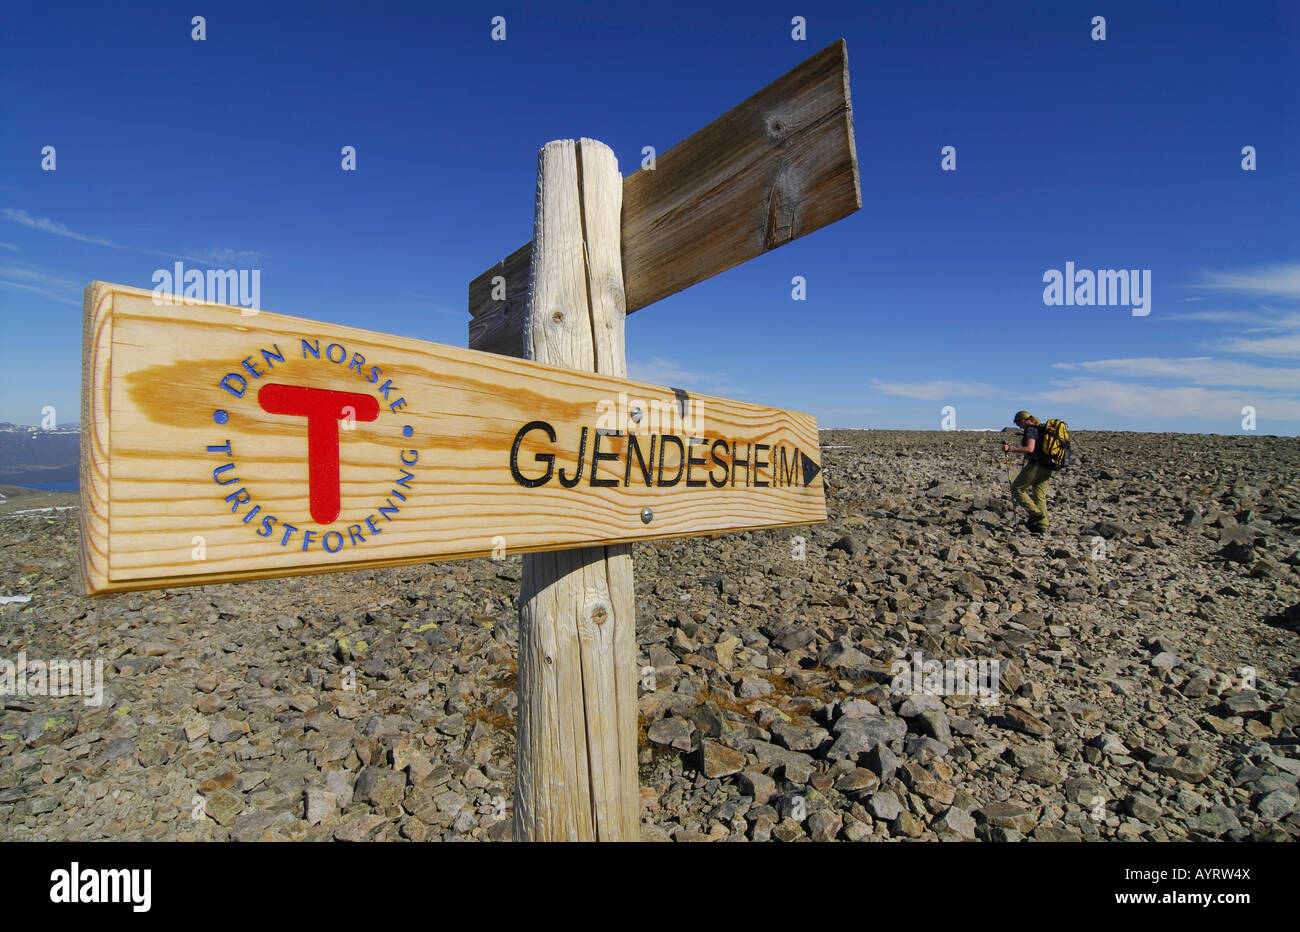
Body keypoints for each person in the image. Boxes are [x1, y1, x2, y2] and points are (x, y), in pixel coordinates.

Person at [1002, 410, 1051, 533]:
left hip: (1036, 465)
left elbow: (1030, 448)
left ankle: (1035, 514)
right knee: (1039, 494)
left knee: (1016, 488)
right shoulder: (1041, 429)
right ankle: (1042, 525)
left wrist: (1010, 449)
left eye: (1019, 423)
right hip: (1048, 466)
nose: (1019, 426)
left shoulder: (1031, 430)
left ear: (1024, 420)